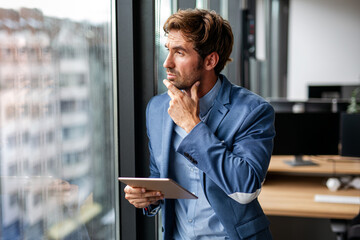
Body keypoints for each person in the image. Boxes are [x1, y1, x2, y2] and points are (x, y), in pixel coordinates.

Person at [124, 8, 275, 240]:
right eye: (168, 51)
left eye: (180, 52)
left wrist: (192, 125)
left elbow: (246, 188)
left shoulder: (253, 111)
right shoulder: (157, 109)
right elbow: (159, 176)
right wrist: (148, 199)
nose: (167, 63)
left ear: (210, 60)